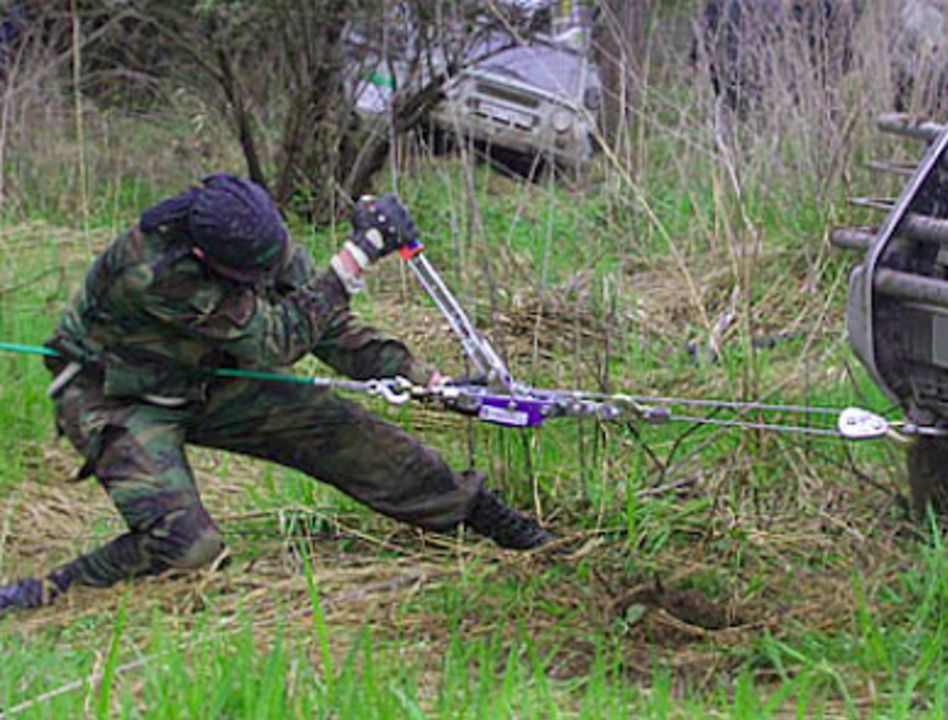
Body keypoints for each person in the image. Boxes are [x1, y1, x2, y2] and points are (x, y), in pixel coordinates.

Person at [0, 174, 552, 616]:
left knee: (344, 431)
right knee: (189, 550)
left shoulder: (258, 239)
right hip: (114, 396)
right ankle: (50, 591)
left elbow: (326, 326)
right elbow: (274, 341)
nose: (270, 271)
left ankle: (486, 516)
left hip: (211, 380)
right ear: (205, 254)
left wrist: (428, 380)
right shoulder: (151, 269)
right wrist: (357, 256)